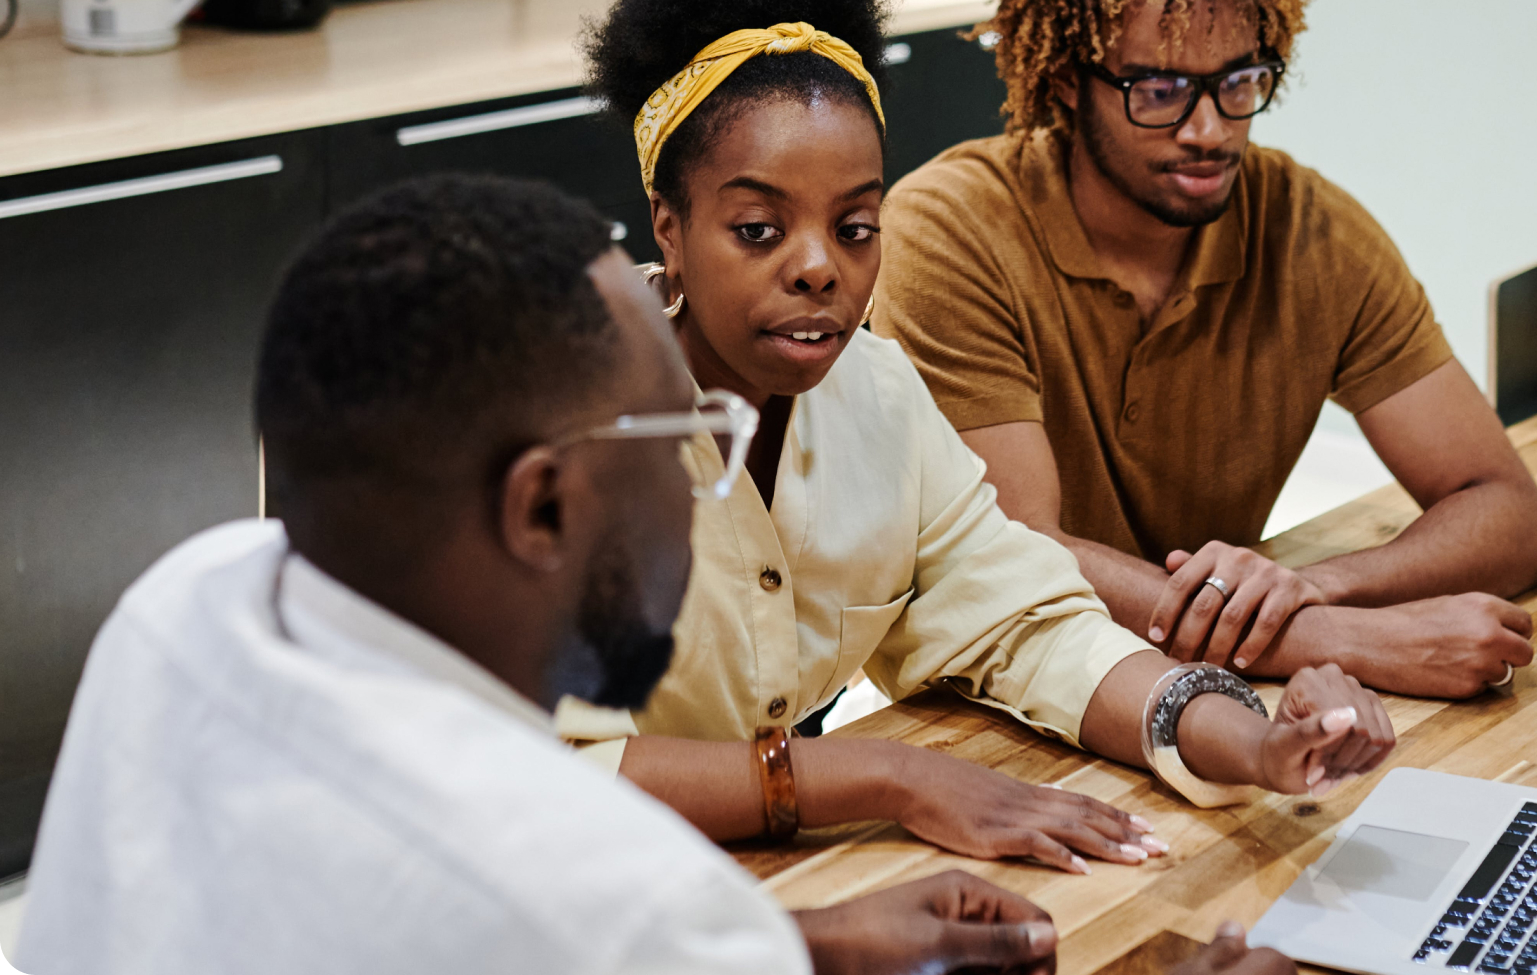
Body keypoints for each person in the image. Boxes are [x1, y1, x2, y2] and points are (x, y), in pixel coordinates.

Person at [20, 173, 1296, 975]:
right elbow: (573, 920)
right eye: (691, 439)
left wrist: (786, 941)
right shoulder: (591, 888)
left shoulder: (185, 599)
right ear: (542, 504)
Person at [562, 0, 1392, 864]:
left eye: (857, 227)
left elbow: (1028, 623)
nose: (819, 269)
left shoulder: (878, 396)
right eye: (759, 229)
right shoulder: (560, 433)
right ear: (667, 226)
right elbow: (536, 778)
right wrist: (887, 775)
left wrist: (1251, 740)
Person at [873, 0, 1537, 701]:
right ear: (1063, 82)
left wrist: (1314, 588)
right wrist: (1332, 640)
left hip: (1212, 691)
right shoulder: (951, 231)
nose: (1208, 130)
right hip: (986, 698)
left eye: (1237, 83)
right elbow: (1020, 551)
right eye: (1158, 91)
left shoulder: (1311, 231)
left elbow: (1509, 514)